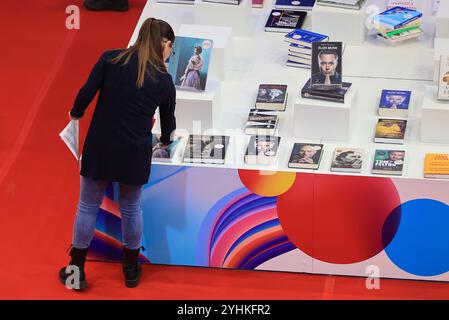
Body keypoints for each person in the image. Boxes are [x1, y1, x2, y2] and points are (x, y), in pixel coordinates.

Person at [59, 18, 176, 291]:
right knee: (131, 208)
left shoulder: (110, 59)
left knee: (87, 206)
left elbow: (85, 93)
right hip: (134, 152)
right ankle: (131, 271)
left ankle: (76, 272)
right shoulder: (164, 80)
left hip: (100, 146)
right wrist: (167, 139)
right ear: (165, 44)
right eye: (171, 46)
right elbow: (168, 122)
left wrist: (76, 113)